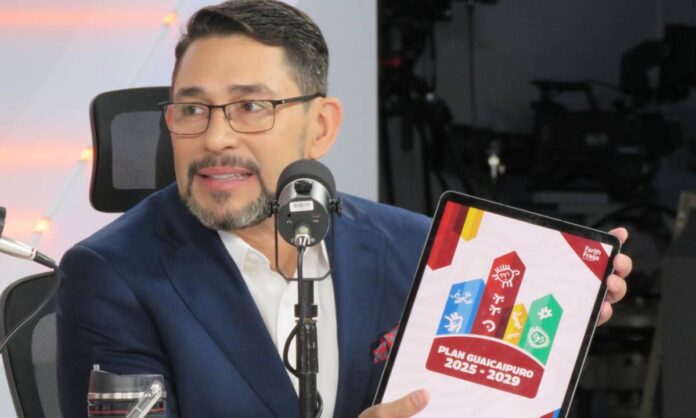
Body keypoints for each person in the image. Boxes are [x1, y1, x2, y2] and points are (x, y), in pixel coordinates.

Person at [56, 1, 632, 417]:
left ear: (322, 127)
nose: (214, 138)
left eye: (251, 106)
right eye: (192, 110)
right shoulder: (112, 274)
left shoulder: (419, 248)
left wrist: (553, 324)